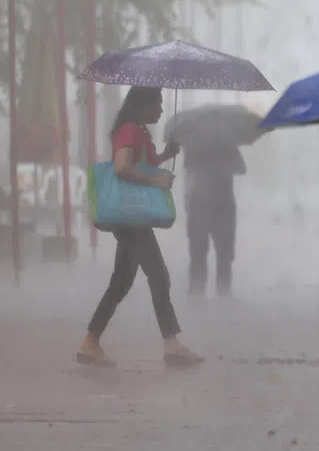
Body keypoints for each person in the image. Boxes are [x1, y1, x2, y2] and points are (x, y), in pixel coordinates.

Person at [77, 86, 203, 368]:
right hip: (131, 219)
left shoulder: (139, 132)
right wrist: (156, 181)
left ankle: (90, 342)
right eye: (157, 103)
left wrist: (162, 156)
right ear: (143, 105)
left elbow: (139, 163)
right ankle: (171, 346)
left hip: (133, 218)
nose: (160, 109)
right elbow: (122, 168)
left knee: (121, 283)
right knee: (158, 276)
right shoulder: (130, 130)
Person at [184, 143, 245, 296]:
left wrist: (187, 197)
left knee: (198, 249)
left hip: (200, 203)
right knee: (223, 251)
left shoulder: (194, 144)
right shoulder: (229, 145)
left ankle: (196, 293)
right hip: (223, 203)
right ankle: (223, 293)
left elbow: (189, 174)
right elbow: (242, 169)